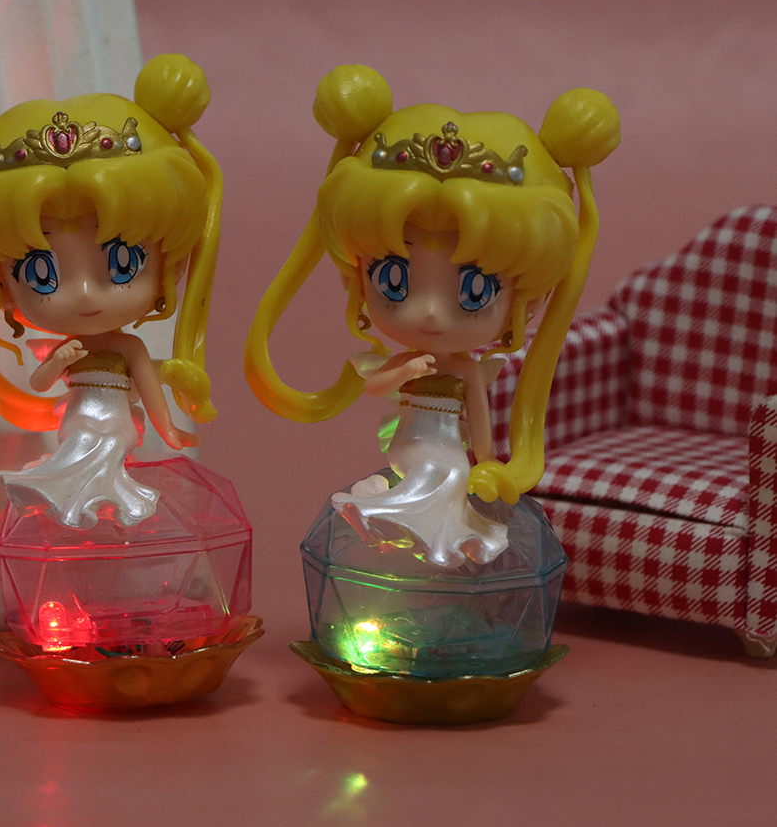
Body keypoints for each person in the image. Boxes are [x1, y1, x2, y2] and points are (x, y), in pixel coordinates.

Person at [245, 64, 619, 566]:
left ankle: (420, 534)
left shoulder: (467, 369)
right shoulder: (416, 362)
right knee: (422, 486)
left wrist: (489, 463)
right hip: (409, 446)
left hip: (448, 455)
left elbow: (480, 419)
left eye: (475, 290)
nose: (427, 312)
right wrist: (403, 371)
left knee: (450, 487)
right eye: (393, 279)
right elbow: (376, 386)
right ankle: (393, 521)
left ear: (525, 298)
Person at [0, 54, 221, 529]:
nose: (83, 294)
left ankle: (105, 507)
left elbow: (148, 389)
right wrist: (57, 362)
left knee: (110, 467)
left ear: (169, 262)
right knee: (71, 466)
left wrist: (170, 431)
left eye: (123, 263)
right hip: (77, 424)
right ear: (2, 284)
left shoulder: (129, 348)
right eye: (41, 273)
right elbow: (40, 384)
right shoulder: (73, 348)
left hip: (117, 428)